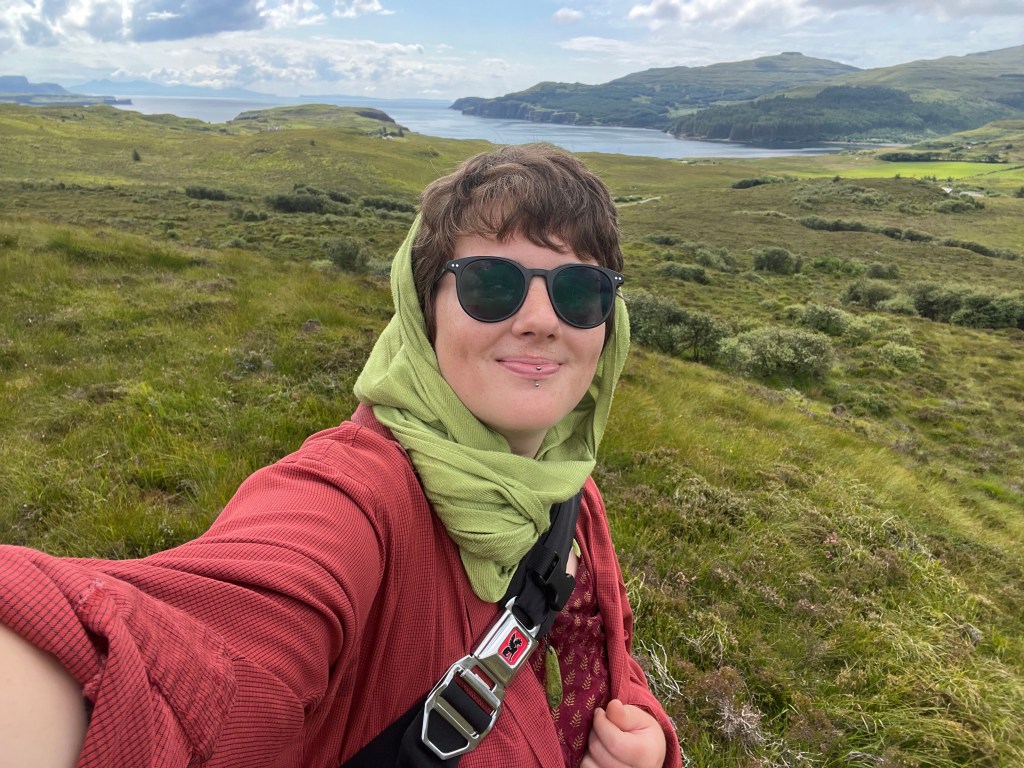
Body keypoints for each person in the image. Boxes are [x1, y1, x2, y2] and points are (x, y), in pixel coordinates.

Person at [0, 144, 682, 768]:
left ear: (608, 324)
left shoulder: (568, 493)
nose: (540, 319)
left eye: (580, 291)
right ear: (424, 311)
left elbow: (602, 662)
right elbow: (188, 658)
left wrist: (642, 736)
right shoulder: (354, 498)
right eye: (491, 284)